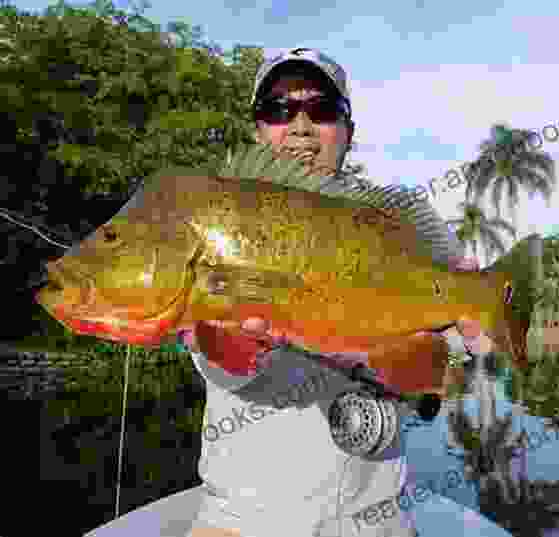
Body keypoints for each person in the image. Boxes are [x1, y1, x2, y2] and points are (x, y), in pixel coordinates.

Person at [183, 48, 492, 537]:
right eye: (279, 110)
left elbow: (447, 371)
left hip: (377, 520)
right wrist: (227, 346)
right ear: (257, 130)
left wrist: (460, 348)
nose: (301, 127)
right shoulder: (220, 220)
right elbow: (219, 360)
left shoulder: (394, 223)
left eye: (322, 110)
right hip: (246, 520)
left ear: (348, 131)